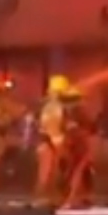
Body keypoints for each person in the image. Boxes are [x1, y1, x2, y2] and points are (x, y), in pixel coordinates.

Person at [58, 87, 101, 209]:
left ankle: (75, 198)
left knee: (77, 171)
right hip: (77, 145)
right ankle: (74, 198)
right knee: (77, 171)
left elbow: (89, 128)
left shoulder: (71, 113)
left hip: (77, 145)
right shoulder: (75, 112)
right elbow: (91, 128)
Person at [34, 75, 73, 203]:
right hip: (51, 142)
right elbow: (51, 124)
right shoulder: (53, 107)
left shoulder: (49, 105)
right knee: (48, 171)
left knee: (52, 171)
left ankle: (48, 197)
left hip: (51, 142)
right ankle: (43, 197)